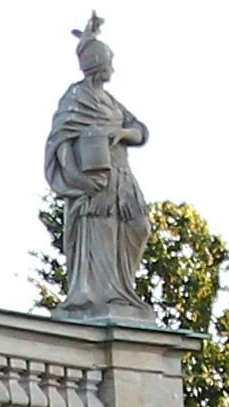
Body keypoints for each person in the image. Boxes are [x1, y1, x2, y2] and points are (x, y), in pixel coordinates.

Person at [44, 16, 152, 316]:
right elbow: (61, 141)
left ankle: (123, 291)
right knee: (100, 231)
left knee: (139, 227)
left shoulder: (112, 102)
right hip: (94, 182)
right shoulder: (76, 97)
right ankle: (102, 296)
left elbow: (141, 130)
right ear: (97, 65)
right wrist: (77, 179)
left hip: (122, 179)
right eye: (109, 64)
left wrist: (122, 133)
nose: (112, 69)